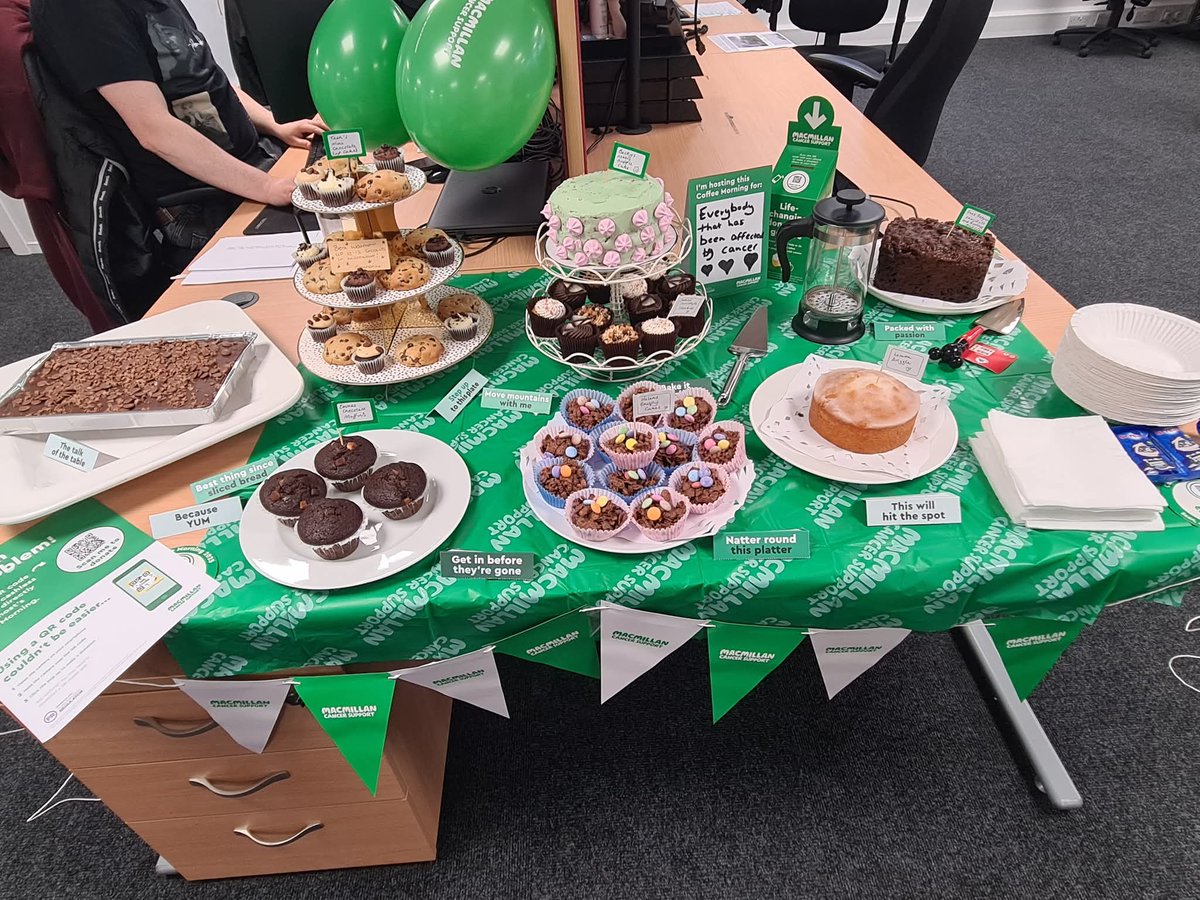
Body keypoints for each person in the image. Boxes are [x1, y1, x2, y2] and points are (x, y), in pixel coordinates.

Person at [30, 0, 327, 253]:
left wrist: (274, 125)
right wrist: (267, 186)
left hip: (252, 168)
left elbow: (205, 77)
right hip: (203, 204)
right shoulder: (81, 10)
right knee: (335, 247)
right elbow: (153, 130)